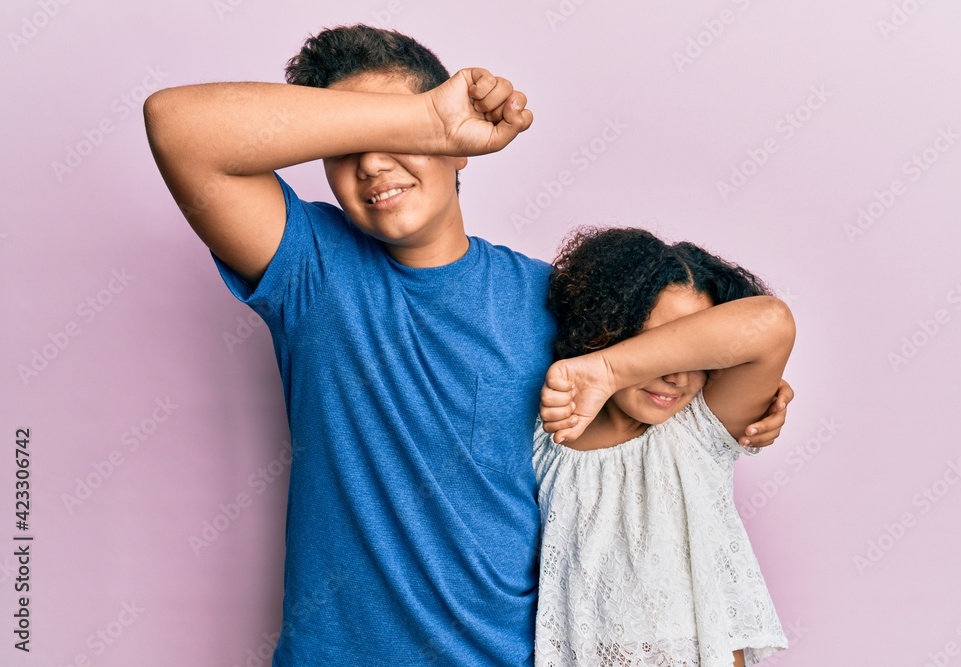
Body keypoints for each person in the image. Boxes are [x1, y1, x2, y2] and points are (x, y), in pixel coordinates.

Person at [142, 24, 793, 666]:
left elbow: (664, 398)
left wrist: (745, 392)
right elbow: (177, 126)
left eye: (397, 134)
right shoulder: (312, 267)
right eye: (349, 145)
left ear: (459, 151)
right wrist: (419, 120)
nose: (372, 161)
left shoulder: (555, 300)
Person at [534, 227, 794, 666]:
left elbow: (771, 322)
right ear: (604, 324)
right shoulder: (547, 436)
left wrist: (610, 370)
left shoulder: (698, 429)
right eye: (659, 345)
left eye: (695, 354)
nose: (677, 375)